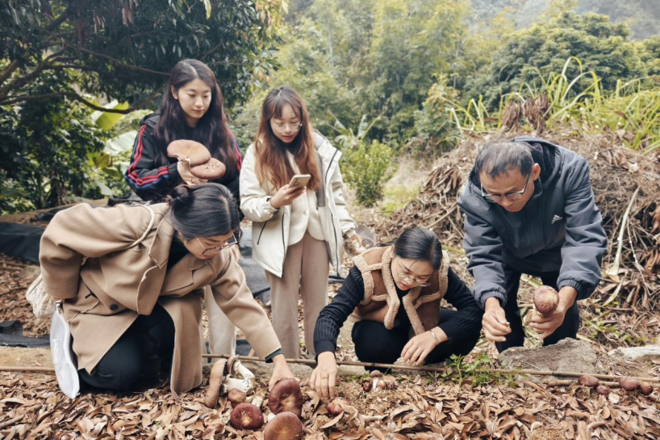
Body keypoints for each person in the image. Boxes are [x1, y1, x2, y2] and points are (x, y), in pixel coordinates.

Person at [39, 183, 293, 394]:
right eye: (211, 242)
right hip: (101, 307)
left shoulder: (219, 256)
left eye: (227, 240)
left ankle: (143, 350)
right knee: (118, 377)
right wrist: (63, 290)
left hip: (151, 310)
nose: (219, 249)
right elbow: (63, 227)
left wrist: (278, 361)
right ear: (187, 231)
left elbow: (243, 305)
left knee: (157, 372)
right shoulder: (139, 223)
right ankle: (99, 348)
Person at [124, 59, 242, 356]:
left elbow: (238, 186)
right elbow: (137, 177)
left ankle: (222, 361)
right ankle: (179, 362)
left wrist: (231, 234)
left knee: (225, 297)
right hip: (169, 236)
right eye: (192, 94)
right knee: (175, 301)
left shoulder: (222, 135)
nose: (200, 102)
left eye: (207, 94)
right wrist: (175, 172)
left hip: (216, 234)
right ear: (174, 92)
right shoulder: (153, 129)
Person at [240, 86, 361, 359]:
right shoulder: (257, 152)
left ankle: (321, 358)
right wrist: (274, 202)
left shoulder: (319, 147)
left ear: (303, 119)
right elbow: (247, 202)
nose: (287, 129)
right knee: (283, 306)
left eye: (294, 122)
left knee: (318, 303)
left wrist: (348, 230)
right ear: (267, 120)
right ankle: (289, 363)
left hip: (317, 234)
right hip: (279, 238)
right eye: (279, 122)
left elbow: (335, 196)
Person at [457, 137, 607, 352]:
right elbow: (483, 254)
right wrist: (490, 305)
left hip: (557, 251)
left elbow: (584, 237)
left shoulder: (569, 171)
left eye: (512, 192)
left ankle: (558, 374)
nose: (505, 202)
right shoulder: (474, 195)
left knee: (562, 325)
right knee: (502, 321)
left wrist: (564, 300)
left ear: (534, 173)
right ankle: (512, 370)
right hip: (506, 253)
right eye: (494, 195)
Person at [310, 226, 482, 399]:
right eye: (406, 271)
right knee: (369, 340)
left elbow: (472, 309)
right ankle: (380, 372)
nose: (410, 280)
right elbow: (331, 314)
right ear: (393, 252)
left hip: (424, 328)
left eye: (422, 278)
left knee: (465, 329)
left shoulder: (439, 270)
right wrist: (325, 355)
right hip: (381, 330)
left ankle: (433, 365)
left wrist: (434, 335)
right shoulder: (367, 269)